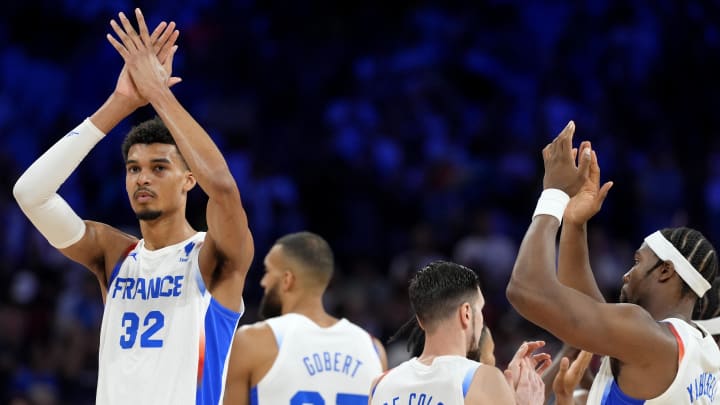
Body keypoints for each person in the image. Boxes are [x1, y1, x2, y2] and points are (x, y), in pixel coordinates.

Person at [12, 9, 253, 405]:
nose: (143, 178)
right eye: (133, 169)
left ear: (189, 180)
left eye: (159, 168)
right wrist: (121, 103)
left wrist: (159, 94)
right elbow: (30, 193)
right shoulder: (113, 254)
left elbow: (224, 189)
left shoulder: (214, 256)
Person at [506, 121, 720, 404]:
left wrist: (553, 194)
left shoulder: (649, 339)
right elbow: (589, 310)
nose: (627, 275)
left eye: (638, 261)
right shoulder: (704, 352)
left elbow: (526, 290)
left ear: (666, 270)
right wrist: (574, 222)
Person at [223, 231, 386, 404]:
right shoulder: (374, 350)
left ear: (287, 279)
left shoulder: (253, 341)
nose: (263, 282)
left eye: (268, 271)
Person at [369, 260, 548, 405]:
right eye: (480, 310)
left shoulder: (380, 384)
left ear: (420, 321)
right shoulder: (483, 379)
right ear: (467, 313)